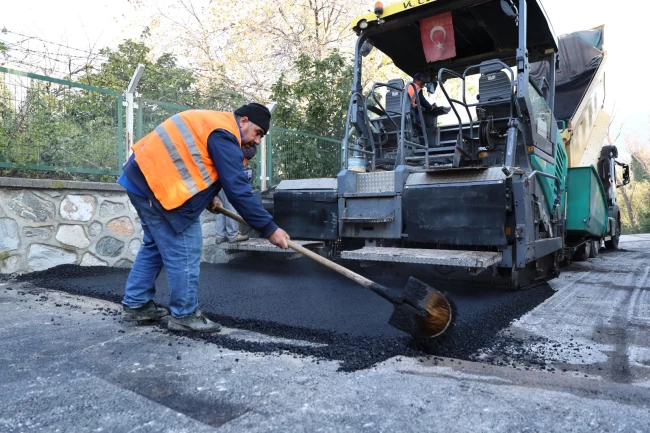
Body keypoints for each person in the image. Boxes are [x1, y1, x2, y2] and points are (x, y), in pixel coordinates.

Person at [117, 103, 290, 333]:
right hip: (158, 188)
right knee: (186, 249)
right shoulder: (224, 134)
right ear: (244, 121)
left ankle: (136, 304)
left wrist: (210, 197)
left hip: (140, 179)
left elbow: (196, 162)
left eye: (262, 136)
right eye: (258, 132)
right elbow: (237, 190)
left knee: (154, 246)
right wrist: (269, 228)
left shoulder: (214, 124)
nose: (258, 140)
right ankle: (184, 314)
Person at [407, 72, 436, 136]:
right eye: (422, 83)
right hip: (412, 114)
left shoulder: (406, 87)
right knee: (425, 130)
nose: (423, 86)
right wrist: (431, 107)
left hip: (405, 114)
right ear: (416, 81)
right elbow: (422, 101)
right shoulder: (415, 88)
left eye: (424, 84)